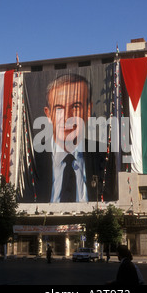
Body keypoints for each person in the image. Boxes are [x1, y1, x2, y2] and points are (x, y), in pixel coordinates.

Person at [31, 73, 116, 203]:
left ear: (88, 111)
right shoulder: (32, 159)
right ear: (48, 114)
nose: (67, 117)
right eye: (59, 108)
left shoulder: (105, 156)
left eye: (75, 107)